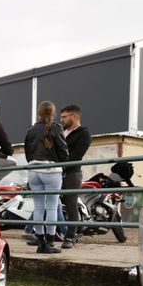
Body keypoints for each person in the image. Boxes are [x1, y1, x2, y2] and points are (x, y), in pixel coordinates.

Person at [24, 101, 69, 254]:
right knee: (51, 207)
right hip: (51, 170)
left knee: (38, 206)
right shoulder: (56, 128)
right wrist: (63, 166)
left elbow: (27, 152)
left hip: (33, 170)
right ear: (53, 113)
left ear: (39, 113)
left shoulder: (31, 130)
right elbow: (63, 151)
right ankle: (49, 243)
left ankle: (40, 242)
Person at [59, 104, 91, 249]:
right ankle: (45, 236)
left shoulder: (84, 133)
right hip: (56, 172)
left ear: (74, 116)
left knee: (71, 205)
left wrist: (58, 161)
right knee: (51, 202)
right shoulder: (62, 131)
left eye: (64, 117)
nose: (61, 120)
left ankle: (70, 237)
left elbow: (76, 156)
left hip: (72, 173)